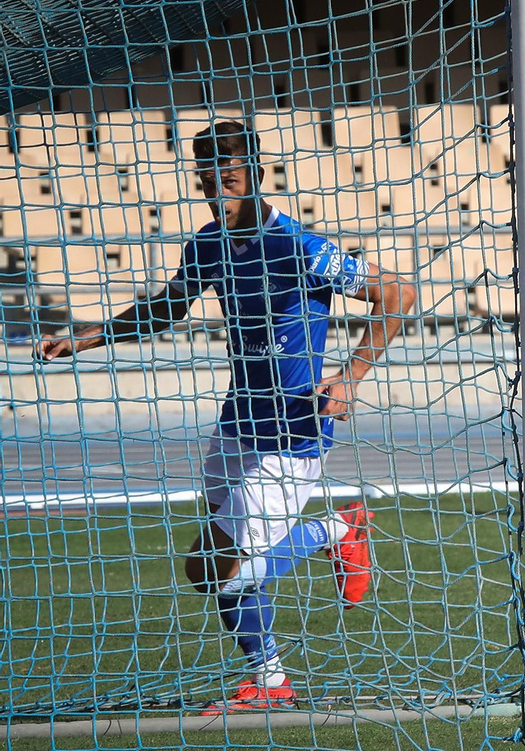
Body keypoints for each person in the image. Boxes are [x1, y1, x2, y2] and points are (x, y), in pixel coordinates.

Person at [34, 121, 419, 714]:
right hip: (237, 424)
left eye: (231, 175)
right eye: (208, 177)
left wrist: (351, 374)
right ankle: (278, 665)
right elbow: (168, 307)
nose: (219, 187)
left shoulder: (300, 246)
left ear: (256, 175)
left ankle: (330, 545)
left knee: (226, 569)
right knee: (217, 568)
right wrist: (90, 337)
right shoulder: (207, 243)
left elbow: (398, 294)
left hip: (293, 431)